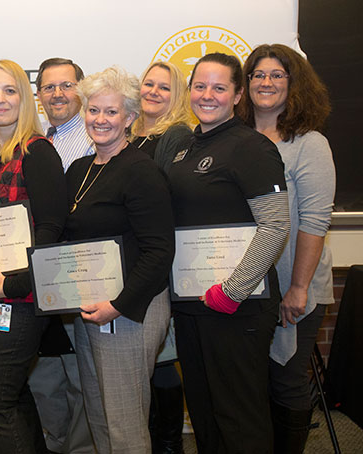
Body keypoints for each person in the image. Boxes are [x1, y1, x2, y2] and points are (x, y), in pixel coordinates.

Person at [167, 52, 290, 454]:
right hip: (191, 304)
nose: (207, 95)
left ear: (238, 95)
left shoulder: (251, 147)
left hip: (235, 307)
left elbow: (275, 226)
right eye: (200, 86)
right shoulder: (183, 146)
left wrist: (232, 291)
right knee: (204, 412)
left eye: (219, 87)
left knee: (239, 418)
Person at [64, 66, 174, 453]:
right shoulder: (79, 170)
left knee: (125, 425)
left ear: (129, 118)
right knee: (98, 414)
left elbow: (160, 250)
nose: (100, 120)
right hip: (90, 308)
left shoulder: (142, 171)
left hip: (129, 311)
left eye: (111, 112)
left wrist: (119, 305)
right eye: (94, 110)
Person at [0, 59, 67, 453]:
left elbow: (52, 229)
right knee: (10, 396)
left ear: (25, 98)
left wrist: (18, 282)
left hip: (16, 300)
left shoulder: (37, 153)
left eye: (9, 90)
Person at [237, 43, 335, 453]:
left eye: (278, 75)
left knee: (287, 380)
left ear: (294, 85)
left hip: (294, 285)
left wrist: (298, 288)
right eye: (258, 74)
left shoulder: (308, 144)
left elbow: (314, 221)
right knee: (251, 384)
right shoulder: (235, 139)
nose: (266, 82)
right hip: (245, 286)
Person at [30, 56, 94, 454]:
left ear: (81, 90)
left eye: (66, 85)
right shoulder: (39, 141)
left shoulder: (93, 137)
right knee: (46, 377)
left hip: (78, 274)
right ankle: (58, 445)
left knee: (82, 377)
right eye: (49, 87)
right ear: (38, 96)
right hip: (41, 278)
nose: (57, 94)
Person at [130, 60, 193, 454]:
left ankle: (169, 445)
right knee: (145, 361)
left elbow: (164, 196)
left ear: (179, 95)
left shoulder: (175, 133)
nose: (153, 92)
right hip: (130, 257)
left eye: (164, 88)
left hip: (157, 259)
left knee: (162, 357)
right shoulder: (128, 130)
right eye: (148, 84)